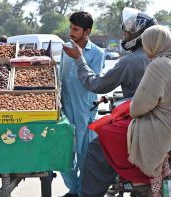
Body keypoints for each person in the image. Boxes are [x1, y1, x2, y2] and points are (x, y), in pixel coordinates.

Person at [61, 7, 158, 197]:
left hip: (138, 120)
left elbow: (96, 84)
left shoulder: (128, 61)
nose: (124, 34)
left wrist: (80, 59)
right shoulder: (162, 59)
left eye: (128, 32)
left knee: (97, 147)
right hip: (160, 120)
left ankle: (89, 193)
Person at [96, 24, 171, 196]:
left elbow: (138, 107)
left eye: (146, 44)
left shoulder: (158, 65)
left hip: (161, 127)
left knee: (105, 131)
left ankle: (137, 176)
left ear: (153, 44)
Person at [59, 11, 105, 197]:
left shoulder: (97, 53)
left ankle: (82, 192)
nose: (72, 32)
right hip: (65, 109)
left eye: (76, 29)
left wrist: (79, 57)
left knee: (85, 156)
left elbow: (92, 81)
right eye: (70, 28)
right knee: (64, 154)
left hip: (85, 110)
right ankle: (74, 189)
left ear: (87, 31)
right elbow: (62, 77)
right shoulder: (66, 48)